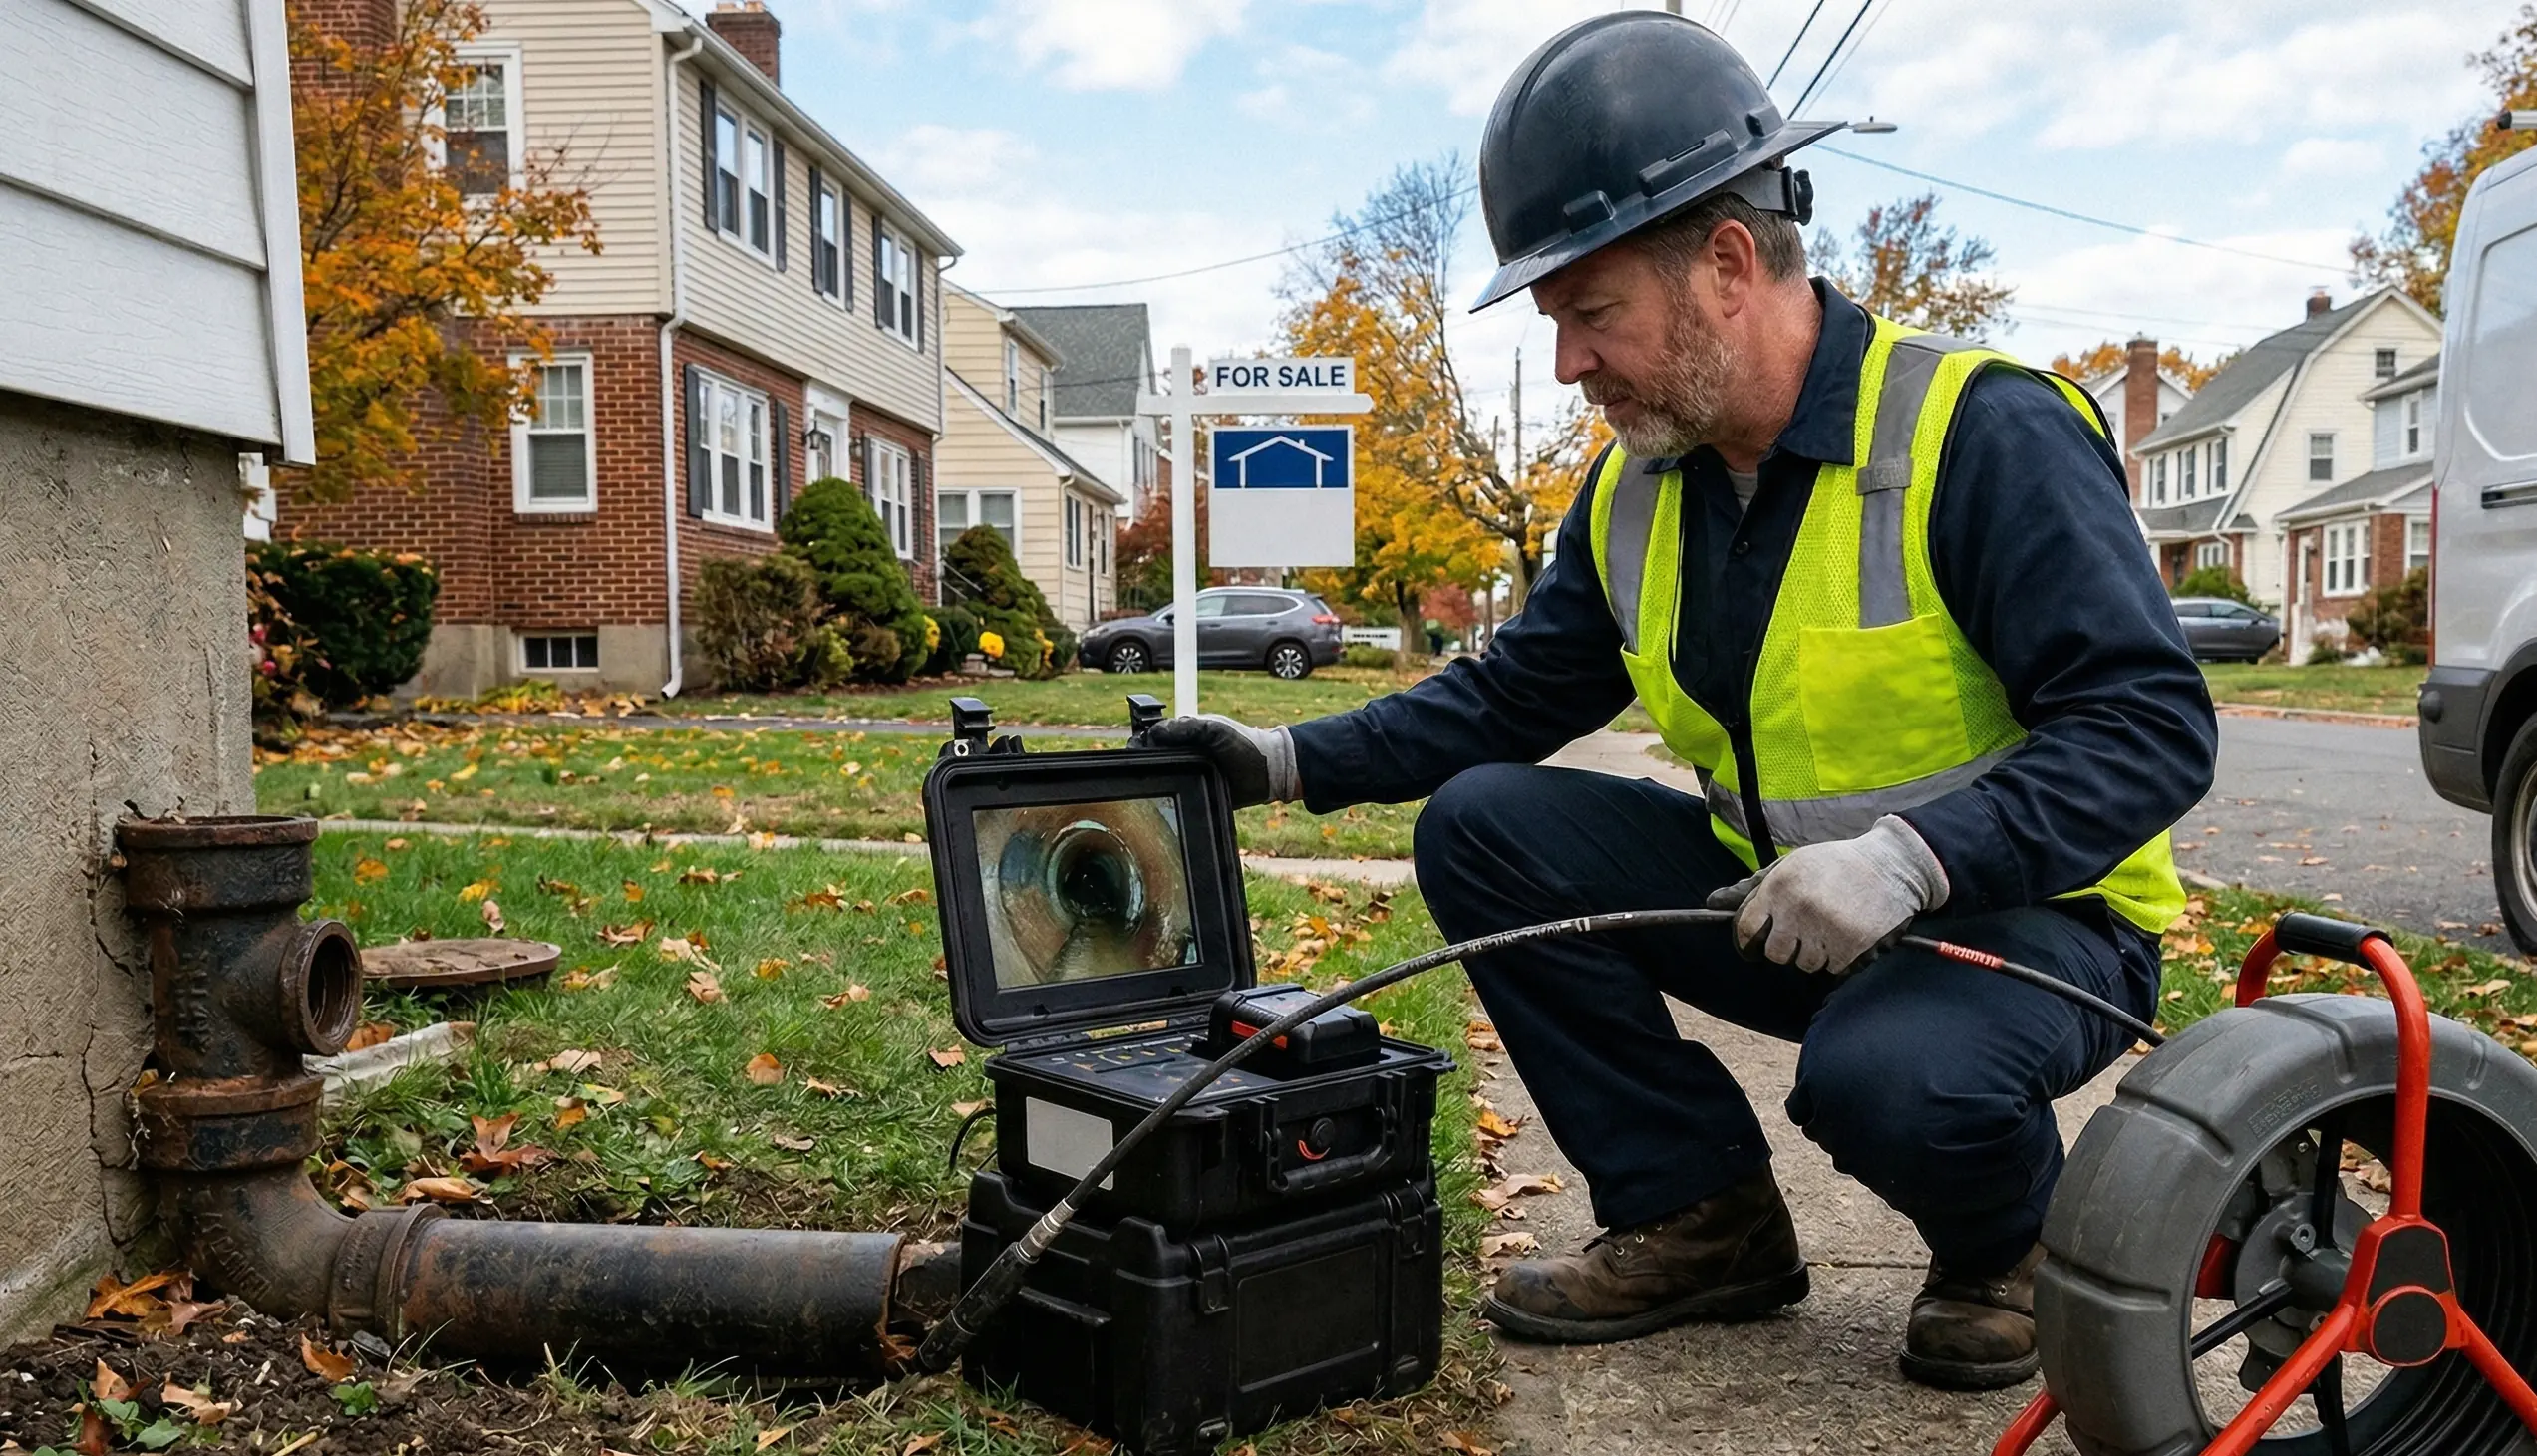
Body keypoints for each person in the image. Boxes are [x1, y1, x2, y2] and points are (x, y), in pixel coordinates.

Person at [1149, 10, 2216, 1392]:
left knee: (1882, 1077)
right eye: (1559, 323)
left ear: (1724, 263)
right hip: (1787, 902)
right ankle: (1698, 1213)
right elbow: (1510, 700)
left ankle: (2005, 1244)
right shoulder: (1639, 492)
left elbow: (2150, 726)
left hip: (2036, 929)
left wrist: (1912, 861)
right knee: (1486, 825)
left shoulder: (1982, 433)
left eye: (1592, 314)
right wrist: (1281, 761)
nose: (1570, 365)